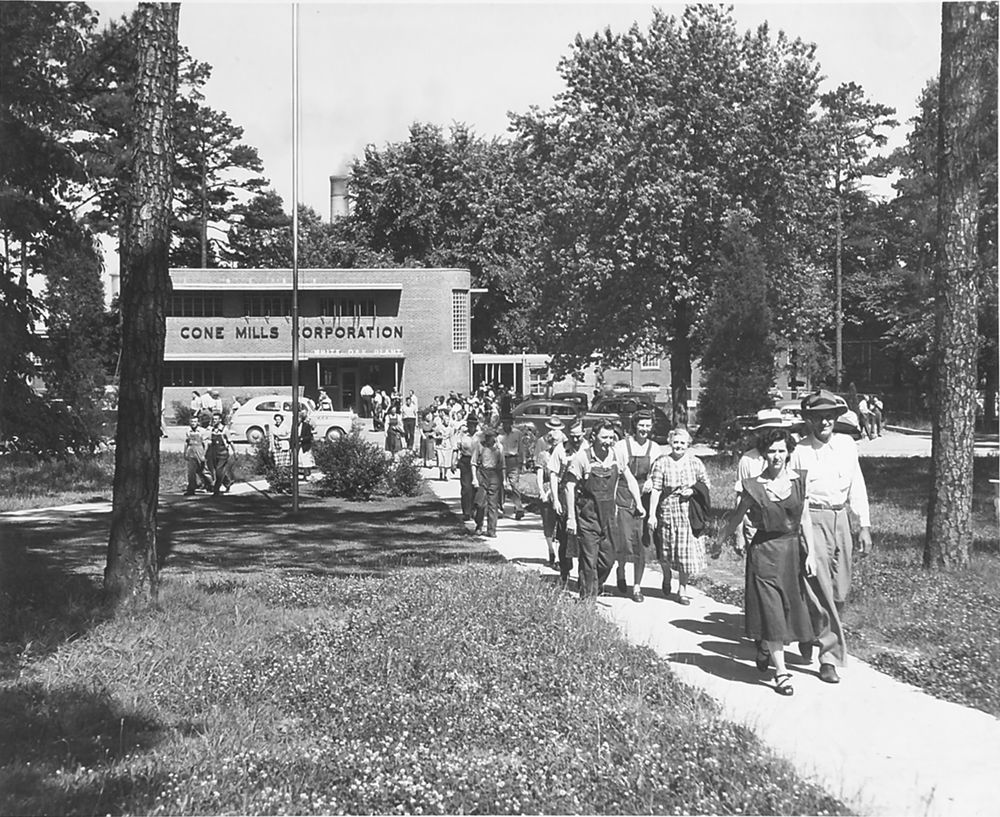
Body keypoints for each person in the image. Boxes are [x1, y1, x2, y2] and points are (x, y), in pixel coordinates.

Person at [713, 428, 821, 697]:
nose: (777, 456)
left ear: (789, 452)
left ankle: (764, 645)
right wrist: (718, 542)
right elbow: (736, 518)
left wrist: (813, 554)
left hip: (792, 551)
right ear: (763, 454)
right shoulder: (754, 485)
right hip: (763, 554)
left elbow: (805, 518)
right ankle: (782, 672)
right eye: (771, 451)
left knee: (788, 609)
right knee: (772, 610)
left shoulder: (799, 481)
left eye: (782, 451)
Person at [789, 388, 871, 684]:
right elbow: (795, 495)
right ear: (808, 419)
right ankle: (829, 656)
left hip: (842, 519)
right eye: (818, 417)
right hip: (813, 519)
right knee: (820, 586)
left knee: (840, 590)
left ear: (837, 418)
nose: (824, 423)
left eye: (829, 417)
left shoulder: (848, 445)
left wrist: (864, 525)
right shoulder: (799, 451)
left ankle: (810, 629)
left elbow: (857, 486)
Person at [565, 420, 642, 600]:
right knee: (589, 561)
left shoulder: (617, 455)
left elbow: (629, 479)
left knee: (608, 560)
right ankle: (587, 600)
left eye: (610, 437)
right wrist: (571, 518)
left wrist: (638, 503)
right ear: (593, 437)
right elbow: (569, 486)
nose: (608, 441)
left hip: (609, 517)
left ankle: (593, 586)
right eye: (604, 437)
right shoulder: (582, 458)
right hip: (588, 517)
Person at [648, 427, 710, 605]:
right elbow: (656, 489)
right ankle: (666, 575)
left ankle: (682, 589)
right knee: (666, 550)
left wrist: (692, 490)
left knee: (686, 553)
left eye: (682, 443)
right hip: (668, 511)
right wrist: (652, 514)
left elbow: (706, 484)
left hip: (688, 512)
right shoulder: (662, 463)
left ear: (688, 444)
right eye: (675, 442)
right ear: (670, 443)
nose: (679, 446)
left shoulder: (696, 462)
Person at [610, 409, 661, 603]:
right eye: (641, 425)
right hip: (623, 495)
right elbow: (616, 472)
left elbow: (658, 472)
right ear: (634, 425)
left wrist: (651, 480)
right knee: (623, 540)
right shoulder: (622, 446)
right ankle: (621, 571)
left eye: (648, 425)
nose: (644, 429)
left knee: (642, 544)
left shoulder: (655, 448)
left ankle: (637, 586)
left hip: (645, 499)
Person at [549, 418, 589, 587]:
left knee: (584, 540)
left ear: (584, 433)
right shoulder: (561, 449)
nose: (574, 439)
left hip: (585, 499)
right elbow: (553, 474)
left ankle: (583, 577)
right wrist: (556, 500)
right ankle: (565, 572)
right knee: (565, 538)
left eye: (578, 436)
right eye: (571, 436)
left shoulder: (589, 449)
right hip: (565, 497)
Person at [534, 417, 566, 567]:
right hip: (547, 490)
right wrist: (542, 490)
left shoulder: (564, 454)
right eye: (553, 442)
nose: (555, 444)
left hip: (561, 490)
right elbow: (540, 474)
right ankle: (551, 550)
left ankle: (559, 557)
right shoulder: (543, 455)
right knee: (548, 524)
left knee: (560, 526)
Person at [471, 425, 504, 538]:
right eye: (490, 436)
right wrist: (474, 478)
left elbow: (502, 466)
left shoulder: (499, 448)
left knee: (493, 505)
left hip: (494, 475)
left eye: (494, 436)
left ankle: (492, 529)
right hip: (482, 474)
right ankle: (479, 525)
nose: (492, 439)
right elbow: (473, 463)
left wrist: (503, 481)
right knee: (480, 503)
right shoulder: (480, 446)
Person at [498, 416, 526, 520]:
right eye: (504, 423)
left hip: (513, 459)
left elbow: (521, 448)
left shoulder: (517, 433)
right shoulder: (499, 435)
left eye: (508, 423)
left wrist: (522, 461)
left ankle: (518, 508)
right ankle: (500, 507)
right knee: (501, 484)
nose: (506, 425)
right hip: (502, 459)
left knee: (515, 484)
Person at [455, 416, 481, 521]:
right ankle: (466, 511)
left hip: (478, 462)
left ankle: (474, 509)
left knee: (476, 487)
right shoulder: (462, 435)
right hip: (465, 461)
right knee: (466, 488)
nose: (471, 426)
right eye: (470, 424)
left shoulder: (480, 436)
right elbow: (456, 448)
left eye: (473, 424)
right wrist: (454, 461)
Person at [205, 412, 236, 494]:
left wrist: (235, 452)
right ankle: (227, 482)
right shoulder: (212, 430)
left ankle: (216, 489)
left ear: (220, 420)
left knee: (219, 470)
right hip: (214, 453)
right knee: (218, 470)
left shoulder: (224, 430)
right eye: (213, 419)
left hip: (223, 453)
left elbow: (230, 442)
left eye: (216, 419)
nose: (214, 421)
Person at [182, 415, 213, 495]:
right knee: (191, 472)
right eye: (191, 422)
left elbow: (205, 444)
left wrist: (204, 455)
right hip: (191, 451)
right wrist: (185, 452)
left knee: (203, 470)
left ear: (198, 422)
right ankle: (191, 489)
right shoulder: (188, 431)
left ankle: (211, 485)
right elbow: (186, 442)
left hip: (200, 451)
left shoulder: (202, 431)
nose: (193, 423)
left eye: (195, 422)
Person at [432, 406, 455, 481]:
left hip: (447, 445)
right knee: (441, 460)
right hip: (440, 445)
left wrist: (452, 446)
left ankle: (446, 474)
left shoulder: (450, 429)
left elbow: (452, 437)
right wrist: (437, 438)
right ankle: (441, 473)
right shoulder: (439, 427)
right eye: (445, 420)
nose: (447, 421)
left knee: (447, 461)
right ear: (443, 421)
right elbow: (434, 434)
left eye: (448, 420)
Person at [298, 408, 316, 480]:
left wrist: (302, 439)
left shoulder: (307, 425)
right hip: (298, 446)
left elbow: (309, 436)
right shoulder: (295, 426)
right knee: (299, 460)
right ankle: (301, 474)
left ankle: (307, 475)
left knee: (306, 460)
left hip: (305, 445)